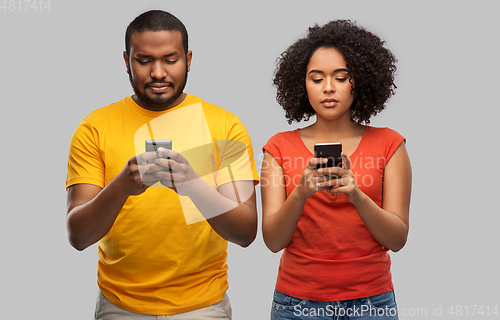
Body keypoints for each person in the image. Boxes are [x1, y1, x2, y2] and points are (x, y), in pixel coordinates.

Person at [65, 10, 259, 319]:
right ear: (127, 60)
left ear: (189, 59)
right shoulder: (94, 128)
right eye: (144, 61)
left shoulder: (225, 126)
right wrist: (121, 186)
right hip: (120, 306)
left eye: (171, 60)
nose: (158, 72)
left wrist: (192, 185)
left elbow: (246, 232)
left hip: (203, 306)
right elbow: (78, 236)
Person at [261, 20, 412, 319]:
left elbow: (397, 239)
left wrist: (357, 196)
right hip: (296, 304)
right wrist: (301, 193)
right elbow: (273, 241)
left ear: (361, 81)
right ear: (302, 84)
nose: (328, 88)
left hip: (372, 302)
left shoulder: (390, 144)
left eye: (340, 78)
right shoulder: (277, 148)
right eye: (316, 79)